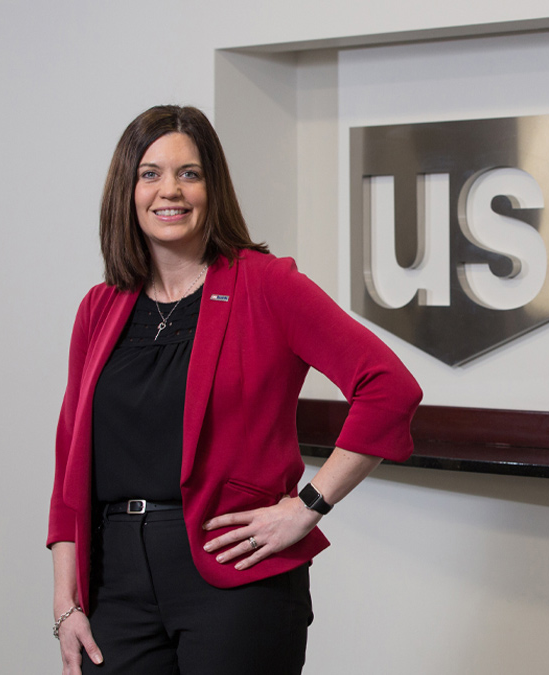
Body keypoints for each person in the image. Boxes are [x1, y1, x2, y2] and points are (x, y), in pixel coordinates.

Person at [47, 105, 422, 675]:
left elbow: (389, 388)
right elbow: (70, 460)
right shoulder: (99, 309)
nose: (169, 190)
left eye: (189, 173)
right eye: (150, 173)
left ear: (212, 186)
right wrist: (66, 600)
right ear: (126, 190)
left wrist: (307, 507)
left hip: (236, 579)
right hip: (115, 580)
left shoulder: (266, 285)